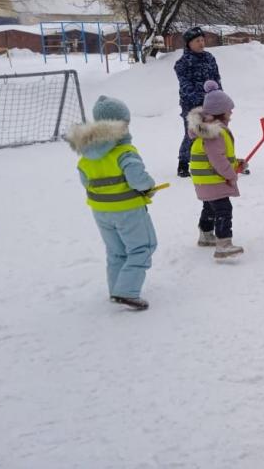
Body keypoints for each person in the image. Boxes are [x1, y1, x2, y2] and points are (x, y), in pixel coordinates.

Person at [66, 96, 158, 311]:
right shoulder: (125, 152)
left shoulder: (87, 155)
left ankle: (116, 288)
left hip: (101, 211)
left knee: (116, 251)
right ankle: (126, 291)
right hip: (128, 210)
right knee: (142, 247)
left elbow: (85, 181)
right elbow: (138, 179)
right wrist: (148, 187)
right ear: (121, 125)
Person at [186, 81, 246, 259]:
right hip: (214, 178)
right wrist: (231, 174)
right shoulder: (216, 133)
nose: (231, 112)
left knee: (210, 207)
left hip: (205, 179)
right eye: (229, 109)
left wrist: (237, 163)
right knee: (223, 210)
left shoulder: (207, 131)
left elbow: (220, 157)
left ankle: (205, 235)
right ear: (221, 113)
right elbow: (217, 159)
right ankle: (223, 244)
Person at [174, 26, 221, 178]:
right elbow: (185, 84)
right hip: (191, 105)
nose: (201, 43)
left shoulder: (210, 58)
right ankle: (183, 163)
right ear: (189, 43)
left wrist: (218, 97)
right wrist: (199, 101)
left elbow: (216, 79)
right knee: (192, 133)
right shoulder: (183, 62)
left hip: (211, 102)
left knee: (213, 131)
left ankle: (212, 159)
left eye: (202, 40)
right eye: (197, 41)